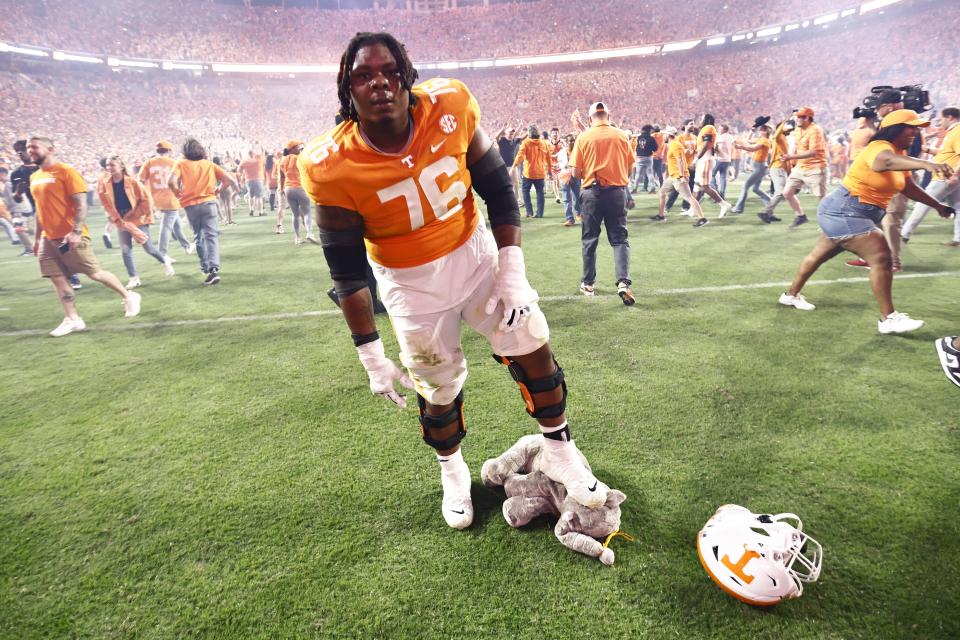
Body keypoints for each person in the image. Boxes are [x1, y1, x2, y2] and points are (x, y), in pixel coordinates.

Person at [300, 31, 606, 530]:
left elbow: (499, 191)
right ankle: (453, 469)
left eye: (388, 71)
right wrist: (371, 357)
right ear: (347, 89)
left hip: (474, 254)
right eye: (363, 75)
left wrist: (511, 269)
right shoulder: (330, 164)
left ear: (405, 75)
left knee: (531, 339)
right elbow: (346, 269)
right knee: (437, 387)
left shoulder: (451, 104)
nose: (378, 82)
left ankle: (559, 449)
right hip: (408, 281)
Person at [778, 110, 955, 334]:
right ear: (896, 128)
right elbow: (884, 162)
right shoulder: (879, 147)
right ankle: (888, 319)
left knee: (818, 256)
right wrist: (927, 164)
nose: (916, 131)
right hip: (845, 210)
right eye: (912, 126)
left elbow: (908, 187)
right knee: (881, 256)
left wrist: (938, 206)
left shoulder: (900, 153)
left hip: (850, 212)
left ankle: (790, 295)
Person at [27, 137, 140, 336]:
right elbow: (39, 210)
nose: (30, 151)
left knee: (94, 273)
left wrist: (76, 231)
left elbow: (81, 203)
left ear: (50, 149)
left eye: (34, 147)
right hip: (48, 237)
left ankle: (128, 295)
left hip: (70, 235)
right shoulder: (35, 176)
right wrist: (37, 239)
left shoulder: (66, 172)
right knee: (57, 277)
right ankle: (72, 318)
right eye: (29, 147)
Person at [568, 101, 635, 305]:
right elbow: (630, 167)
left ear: (590, 118)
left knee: (590, 240)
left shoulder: (584, 137)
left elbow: (575, 172)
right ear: (608, 114)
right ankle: (623, 282)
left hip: (591, 194)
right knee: (619, 239)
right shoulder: (621, 135)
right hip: (616, 193)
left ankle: (588, 284)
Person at [168, 137, 239, 285]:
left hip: (191, 205)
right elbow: (229, 180)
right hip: (209, 202)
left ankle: (205, 266)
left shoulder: (180, 163)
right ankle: (213, 269)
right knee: (211, 236)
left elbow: (171, 181)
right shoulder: (208, 164)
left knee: (198, 236)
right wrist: (218, 190)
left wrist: (177, 193)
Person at [98, 156, 173, 288]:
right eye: (108, 165)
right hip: (121, 219)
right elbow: (105, 202)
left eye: (112, 165)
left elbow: (146, 201)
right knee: (125, 250)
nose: (109, 168)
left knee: (148, 248)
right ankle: (134, 277)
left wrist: (133, 215)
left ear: (121, 167)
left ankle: (164, 261)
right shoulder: (105, 183)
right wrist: (114, 217)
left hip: (137, 217)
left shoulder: (132, 182)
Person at [902, 106, 960, 247]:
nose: (940, 122)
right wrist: (927, 149)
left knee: (923, 203)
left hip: (945, 176)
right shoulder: (953, 131)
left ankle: (903, 235)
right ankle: (958, 239)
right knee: (958, 206)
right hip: (949, 175)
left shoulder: (958, 131)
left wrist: (956, 175)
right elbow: (947, 152)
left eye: (941, 119)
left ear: (950, 117)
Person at [139, 140, 194, 261]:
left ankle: (187, 245)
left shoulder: (149, 162)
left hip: (156, 199)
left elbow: (141, 181)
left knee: (176, 224)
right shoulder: (173, 162)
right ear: (169, 150)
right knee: (166, 226)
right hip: (171, 197)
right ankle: (162, 253)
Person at [776, 106, 828, 229]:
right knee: (787, 193)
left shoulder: (815, 130)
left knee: (821, 197)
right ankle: (800, 216)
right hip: (800, 167)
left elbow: (813, 152)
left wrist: (791, 157)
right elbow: (794, 143)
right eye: (797, 117)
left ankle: (827, 222)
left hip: (816, 167)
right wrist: (791, 159)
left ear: (809, 118)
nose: (798, 119)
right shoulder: (798, 130)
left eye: (802, 117)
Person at [652, 126, 709, 227]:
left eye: (664, 134)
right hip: (673, 176)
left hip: (678, 176)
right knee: (661, 193)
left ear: (669, 135)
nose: (663, 136)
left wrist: (682, 176)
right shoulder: (673, 144)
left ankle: (702, 219)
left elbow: (680, 161)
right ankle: (661, 215)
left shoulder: (675, 145)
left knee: (689, 197)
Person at [692, 114, 734, 217]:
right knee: (697, 185)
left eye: (702, 118)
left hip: (705, 159)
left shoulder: (709, 127)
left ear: (707, 120)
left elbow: (706, 144)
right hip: (704, 159)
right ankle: (692, 209)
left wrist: (696, 159)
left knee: (705, 186)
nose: (700, 119)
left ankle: (723, 204)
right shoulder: (705, 129)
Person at [280, 140, 318, 245]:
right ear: (292, 148)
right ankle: (309, 233)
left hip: (288, 188)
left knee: (295, 214)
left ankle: (297, 238)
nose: (300, 148)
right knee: (307, 213)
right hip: (299, 187)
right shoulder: (298, 158)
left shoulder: (282, 160)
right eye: (298, 147)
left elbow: (281, 176)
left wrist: (281, 189)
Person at [732, 125, 772, 214]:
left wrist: (740, 147)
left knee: (745, 186)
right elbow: (748, 141)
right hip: (759, 166)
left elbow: (752, 149)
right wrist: (751, 131)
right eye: (760, 129)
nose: (760, 131)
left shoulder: (765, 141)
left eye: (762, 130)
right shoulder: (761, 139)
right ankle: (771, 203)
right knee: (755, 189)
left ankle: (738, 208)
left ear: (767, 132)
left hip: (760, 167)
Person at [512, 125, 550, 218]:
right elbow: (548, 157)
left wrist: (514, 165)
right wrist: (549, 170)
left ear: (529, 133)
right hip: (540, 172)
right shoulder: (544, 143)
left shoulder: (526, 142)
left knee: (525, 191)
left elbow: (520, 156)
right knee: (540, 193)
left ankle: (529, 211)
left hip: (528, 172)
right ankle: (540, 213)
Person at [558, 133, 581, 226]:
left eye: (573, 140)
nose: (571, 142)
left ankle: (579, 213)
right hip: (565, 176)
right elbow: (561, 165)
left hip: (575, 176)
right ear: (566, 142)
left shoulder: (578, 151)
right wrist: (567, 168)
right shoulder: (562, 152)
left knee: (577, 197)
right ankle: (569, 219)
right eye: (570, 141)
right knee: (566, 198)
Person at [239, 149, 266, 217]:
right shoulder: (258, 159)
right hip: (258, 179)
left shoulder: (245, 161)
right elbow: (263, 153)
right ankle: (260, 212)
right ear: (254, 153)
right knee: (259, 197)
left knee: (251, 196)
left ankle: (251, 210)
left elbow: (239, 170)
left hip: (249, 180)